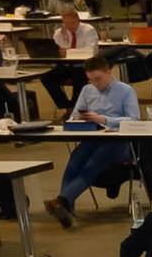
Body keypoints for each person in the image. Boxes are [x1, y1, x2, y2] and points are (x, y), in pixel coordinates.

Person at [39, 57, 141, 229]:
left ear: (108, 72)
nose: (95, 84)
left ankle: (62, 201)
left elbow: (134, 120)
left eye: (98, 79)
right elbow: (74, 115)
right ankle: (65, 207)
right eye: (91, 80)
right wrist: (80, 119)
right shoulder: (87, 90)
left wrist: (104, 119)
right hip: (93, 137)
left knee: (92, 164)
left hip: (117, 142)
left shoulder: (126, 91)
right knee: (75, 160)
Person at [42, 6, 101, 114]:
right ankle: (65, 105)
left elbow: (90, 51)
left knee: (79, 78)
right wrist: (59, 52)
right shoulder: (59, 32)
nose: (69, 26)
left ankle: (76, 108)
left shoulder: (88, 30)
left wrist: (68, 52)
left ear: (78, 20)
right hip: (66, 65)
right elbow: (55, 51)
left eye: (72, 23)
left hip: (84, 66)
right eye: (66, 23)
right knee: (46, 77)